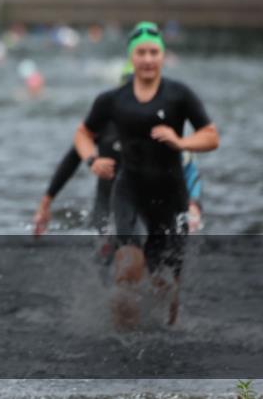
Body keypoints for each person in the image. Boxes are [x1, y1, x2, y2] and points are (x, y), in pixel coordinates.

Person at [74, 22, 219, 328]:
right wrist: (92, 160)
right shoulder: (112, 99)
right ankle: (124, 335)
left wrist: (181, 142)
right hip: (131, 190)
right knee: (127, 263)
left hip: (171, 196)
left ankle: (165, 330)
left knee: (166, 282)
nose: (148, 58)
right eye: (141, 52)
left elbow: (211, 137)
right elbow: (82, 134)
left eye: (154, 52)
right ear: (132, 57)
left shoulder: (179, 95)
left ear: (163, 56)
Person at [34, 64, 204, 237]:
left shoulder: (164, 129)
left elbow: (189, 167)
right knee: (117, 249)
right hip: (110, 208)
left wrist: (194, 205)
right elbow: (72, 158)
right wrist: (46, 202)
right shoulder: (104, 125)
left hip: (154, 205)